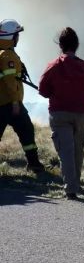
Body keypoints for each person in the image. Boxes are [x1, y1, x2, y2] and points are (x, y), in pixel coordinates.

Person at [38, 28, 84, 199]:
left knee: (65, 151)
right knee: (78, 149)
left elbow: (43, 90)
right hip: (82, 114)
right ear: (76, 45)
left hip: (60, 114)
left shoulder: (53, 66)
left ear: (61, 45)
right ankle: (75, 184)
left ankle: (70, 188)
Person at [0, 19, 45, 172]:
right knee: (26, 130)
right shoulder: (7, 56)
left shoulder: (6, 53)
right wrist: (15, 102)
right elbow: (10, 82)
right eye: (17, 35)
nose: (18, 38)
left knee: (26, 129)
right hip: (8, 103)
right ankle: (33, 163)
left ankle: (33, 163)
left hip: (7, 102)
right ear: (11, 36)